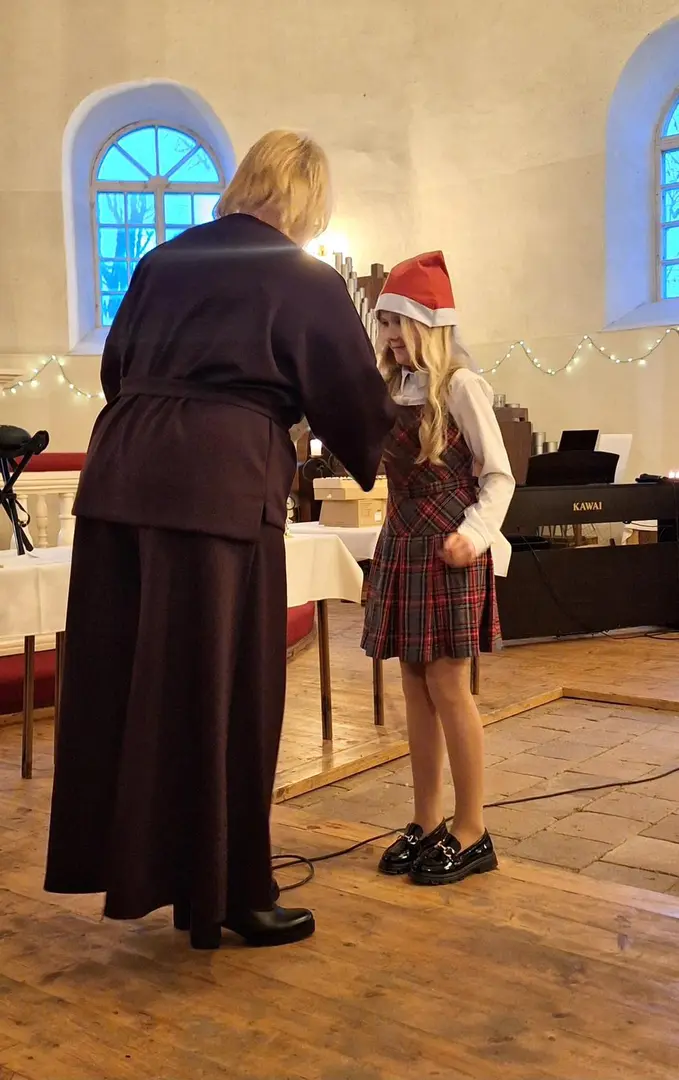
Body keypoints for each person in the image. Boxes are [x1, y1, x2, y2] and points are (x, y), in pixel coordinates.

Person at [44, 130, 395, 949]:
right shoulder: (301, 277)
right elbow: (352, 398)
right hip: (218, 483)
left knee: (126, 682)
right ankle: (227, 891)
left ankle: (144, 867)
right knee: (223, 689)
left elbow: (117, 371)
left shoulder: (162, 261)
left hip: (120, 474)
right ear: (308, 199)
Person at [361, 251, 515, 886]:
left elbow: (499, 476)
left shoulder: (461, 387)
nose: (391, 335)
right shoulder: (392, 390)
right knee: (413, 684)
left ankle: (472, 828)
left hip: (451, 548)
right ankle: (427, 820)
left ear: (430, 324)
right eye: (384, 323)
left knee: (449, 685)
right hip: (403, 545)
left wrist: (474, 537)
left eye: (399, 322)